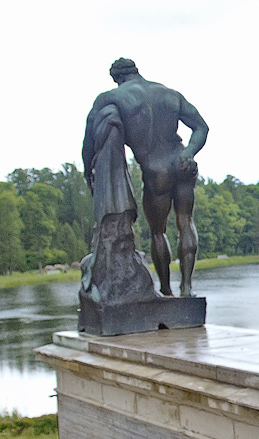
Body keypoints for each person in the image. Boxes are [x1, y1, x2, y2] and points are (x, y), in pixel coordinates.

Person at [81, 57, 210, 297]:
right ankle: (187, 287)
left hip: (155, 169)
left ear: (117, 78)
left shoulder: (111, 98)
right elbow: (201, 127)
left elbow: (90, 140)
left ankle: (166, 290)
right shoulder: (169, 93)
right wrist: (189, 153)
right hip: (181, 162)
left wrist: (88, 170)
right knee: (186, 222)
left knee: (158, 232)